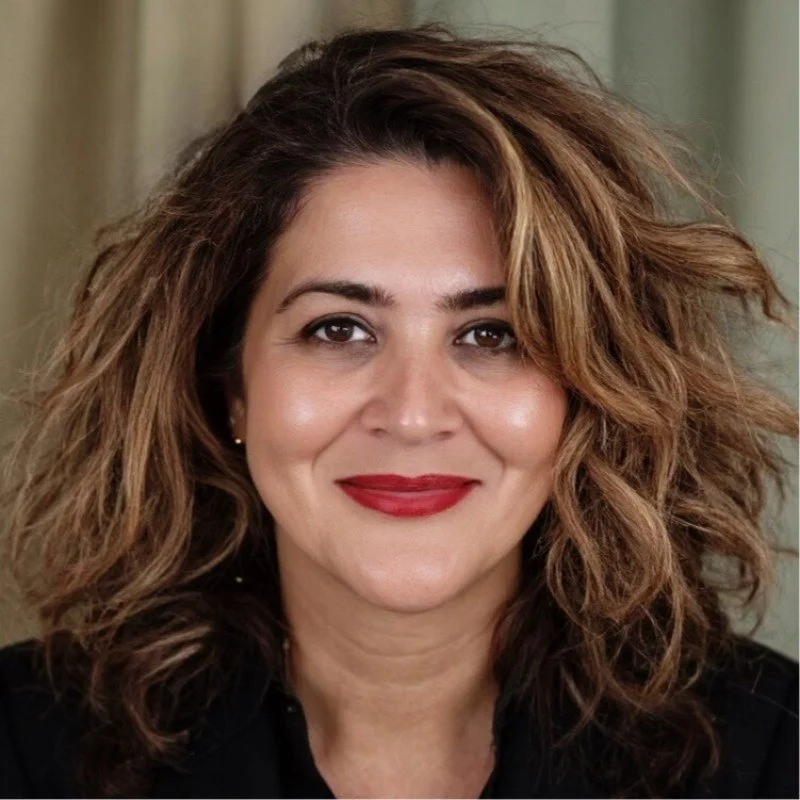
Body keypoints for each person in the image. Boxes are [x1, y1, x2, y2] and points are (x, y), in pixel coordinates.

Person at [0, 22, 797, 799]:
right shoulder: (24, 750)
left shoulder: (772, 756)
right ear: (231, 386)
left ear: (590, 390)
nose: (413, 414)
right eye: (337, 328)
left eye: (493, 334)